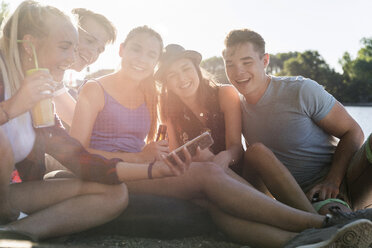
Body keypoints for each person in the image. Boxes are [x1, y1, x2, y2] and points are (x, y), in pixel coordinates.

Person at [0, 1, 178, 240]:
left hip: (8, 194)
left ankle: (17, 233)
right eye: (65, 48)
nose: (72, 59)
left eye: (74, 49)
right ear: (30, 45)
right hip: (4, 202)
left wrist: (151, 170)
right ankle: (9, 216)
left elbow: (78, 157)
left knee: (115, 193)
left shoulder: (41, 98)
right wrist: (11, 109)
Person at [222, 28, 372, 214]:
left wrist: (333, 180)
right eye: (230, 64)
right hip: (311, 196)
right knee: (339, 221)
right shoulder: (235, 109)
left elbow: (354, 132)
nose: (238, 72)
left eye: (247, 62)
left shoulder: (301, 90)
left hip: (351, 176)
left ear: (265, 61)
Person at [70, 25, 168, 163]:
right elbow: (75, 152)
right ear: (121, 50)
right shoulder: (94, 89)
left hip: (140, 169)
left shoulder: (151, 96)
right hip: (104, 172)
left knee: (205, 166)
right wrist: (138, 158)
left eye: (151, 55)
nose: (142, 59)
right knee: (206, 172)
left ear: (156, 62)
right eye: (136, 49)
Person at [53, 8, 117, 127]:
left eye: (99, 50)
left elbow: (81, 123)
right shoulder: (40, 70)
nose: (93, 53)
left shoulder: (55, 79)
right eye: (89, 41)